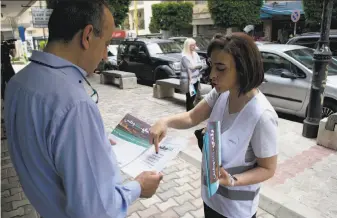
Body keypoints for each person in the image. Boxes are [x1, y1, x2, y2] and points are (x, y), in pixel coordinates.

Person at [4, 1, 162, 218]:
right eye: (106, 43)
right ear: (87, 36)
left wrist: (90, 143)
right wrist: (138, 187)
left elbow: (45, 144)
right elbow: (95, 211)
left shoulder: (18, 82)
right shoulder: (74, 104)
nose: (106, 55)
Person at [150, 32, 278, 218]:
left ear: (242, 69)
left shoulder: (262, 115)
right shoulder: (221, 93)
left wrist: (232, 180)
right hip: (211, 199)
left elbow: (268, 169)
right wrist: (165, 121)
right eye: (212, 66)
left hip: (236, 211)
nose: (212, 75)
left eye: (221, 68)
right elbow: (192, 117)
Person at [180, 38, 203, 111]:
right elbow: (190, 67)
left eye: (195, 44)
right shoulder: (184, 56)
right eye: (193, 45)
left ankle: (189, 114)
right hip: (189, 81)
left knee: (192, 97)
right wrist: (197, 66)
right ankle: (189, 114)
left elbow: (201, 64)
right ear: (188, 46)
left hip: (196, 79)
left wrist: (196, 66)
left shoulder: (195, 54)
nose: (195, 46)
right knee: (190, 98)